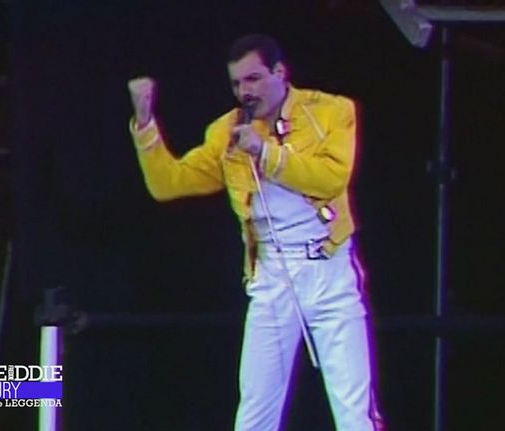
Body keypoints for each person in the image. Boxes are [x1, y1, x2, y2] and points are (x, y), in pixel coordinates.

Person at [127, 34, 384, 431]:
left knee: (353, 411)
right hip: (272, 276)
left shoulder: (332, 111)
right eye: (236, 83)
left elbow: (331, 178)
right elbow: (169, 183)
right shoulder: (227, 132)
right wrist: (146, 125)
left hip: (329, 270)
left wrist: (264, 153)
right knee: (254, 412)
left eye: (253, 79)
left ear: (280, 72)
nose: (245, 92)